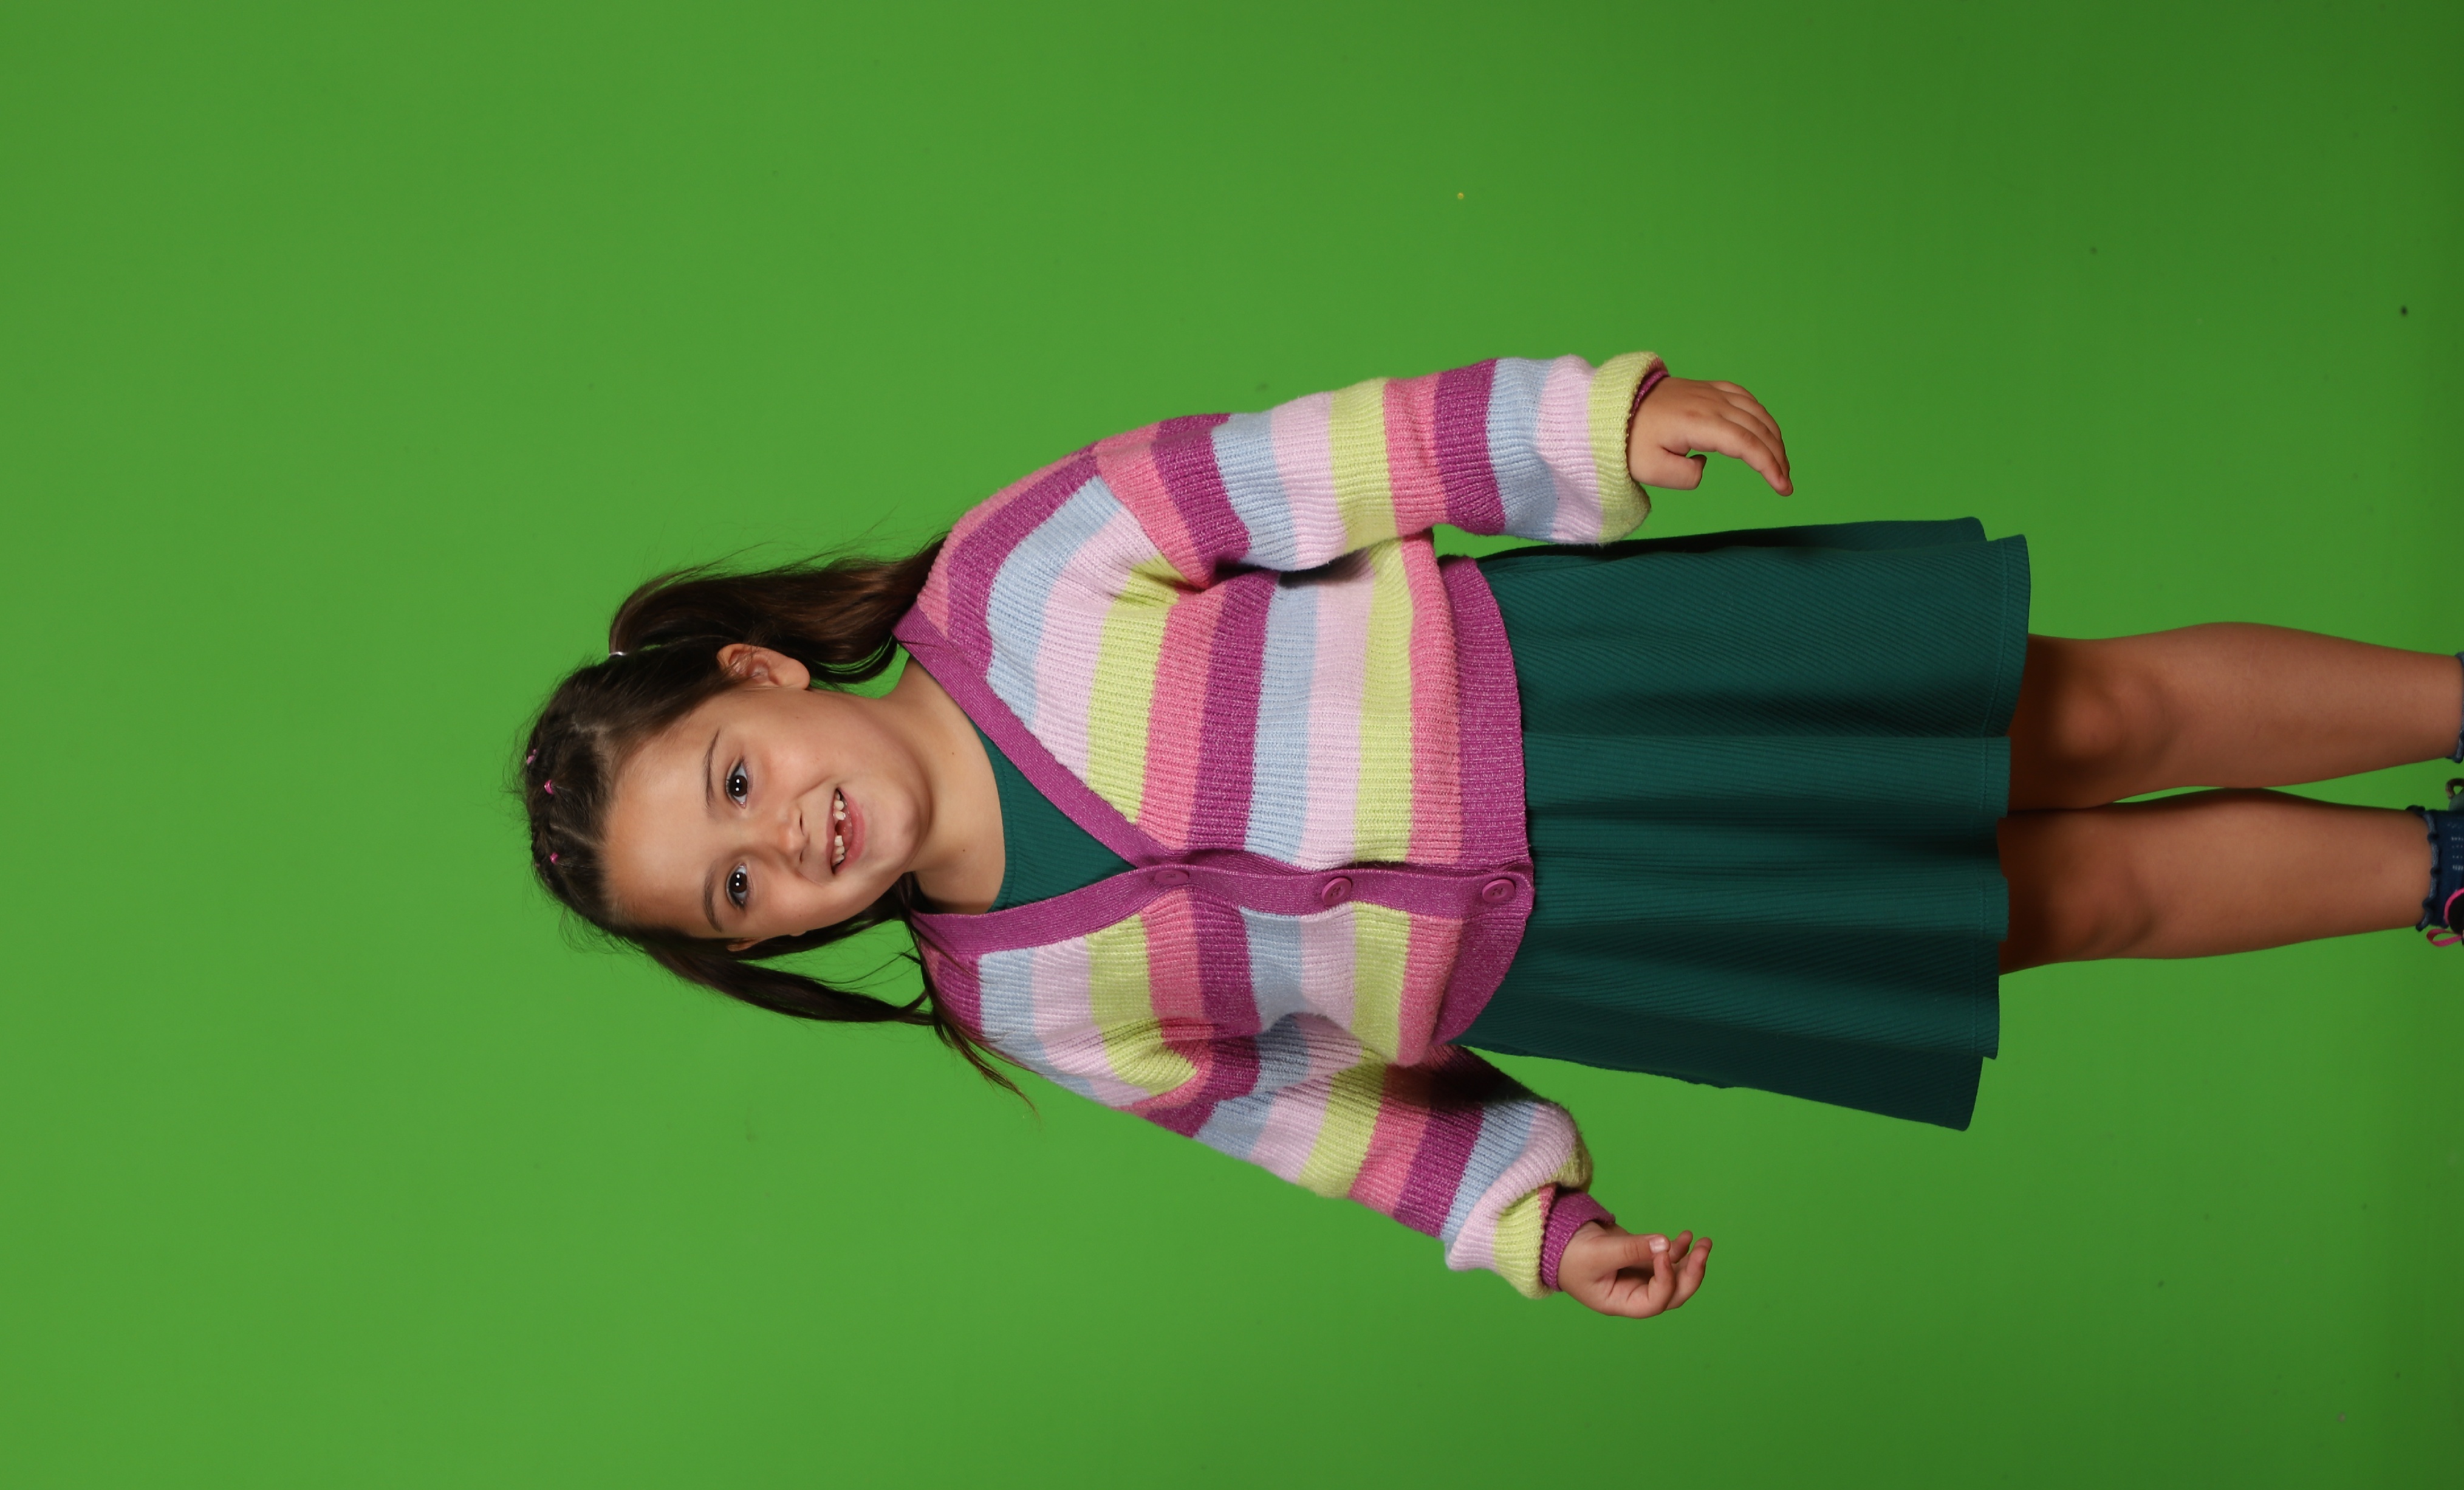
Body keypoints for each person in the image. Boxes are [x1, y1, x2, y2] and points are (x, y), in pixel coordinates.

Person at [515, 352, 2464, 1320]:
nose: (787, 845)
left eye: (735, 781)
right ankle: (2436, 875)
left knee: (2083, 716)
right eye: (738, 892)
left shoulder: (1027, 569)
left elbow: (1318, 458)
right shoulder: (1023, 1004)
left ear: (760, 670)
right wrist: (1523, 1224)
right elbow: (1306, 1117)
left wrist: (1583, 426)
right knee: (2060, 901)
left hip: (1591, 686)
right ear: (768, 942)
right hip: (1606, 940)